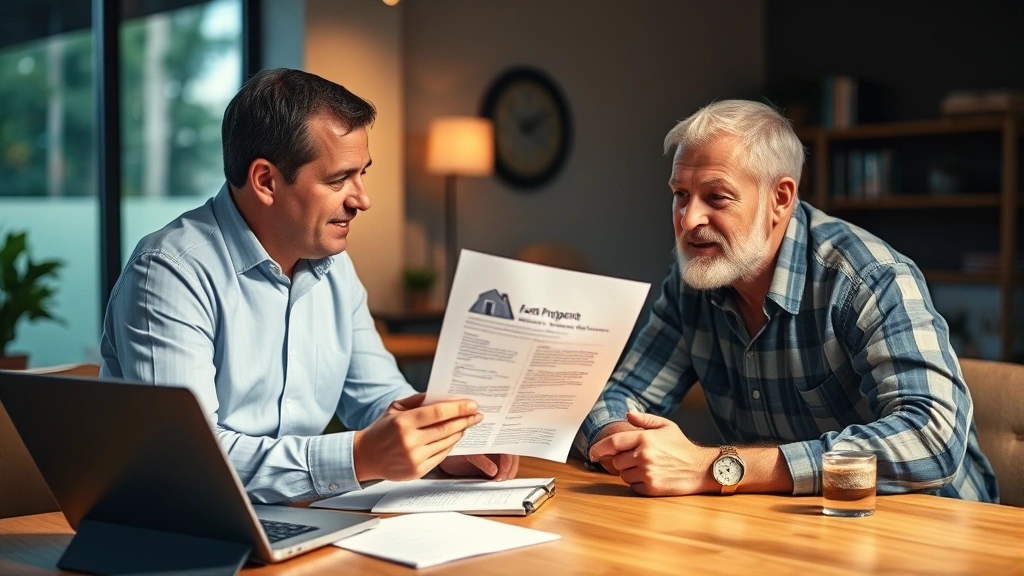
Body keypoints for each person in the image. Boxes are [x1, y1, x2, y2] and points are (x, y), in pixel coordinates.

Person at [100, 68, 518, 504]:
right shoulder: (169, 273)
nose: (362, 199)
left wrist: (442, 447)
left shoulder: (334, 268)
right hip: (181, 532)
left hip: (300, 518)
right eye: (339, 180)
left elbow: (380, 398)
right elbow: (189, 460)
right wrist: (356, 458)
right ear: (266, 181)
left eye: (362, 174)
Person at [578, 100, 997, 502]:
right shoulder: (693, 284)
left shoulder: (868, 278)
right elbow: (617, 398)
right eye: (681, 194)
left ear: (780, 198)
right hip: (799, 523)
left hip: (937, 526)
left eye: (716, 197)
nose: (688, 220)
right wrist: (626, 443)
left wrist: (712, 467)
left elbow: (932, 436)